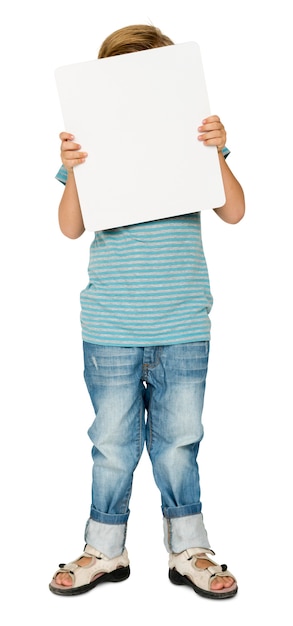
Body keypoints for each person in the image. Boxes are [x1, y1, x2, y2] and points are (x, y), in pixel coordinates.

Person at [49, 24, 245, 600]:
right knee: (111, 442)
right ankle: (105, 548)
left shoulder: (193, 135)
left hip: (182, 320)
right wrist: (76, 169)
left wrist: (215, 151)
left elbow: (233, 210)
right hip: (111, 323)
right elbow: (69, 227)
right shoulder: (89, 143)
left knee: (180, 439)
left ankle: (189, 546)